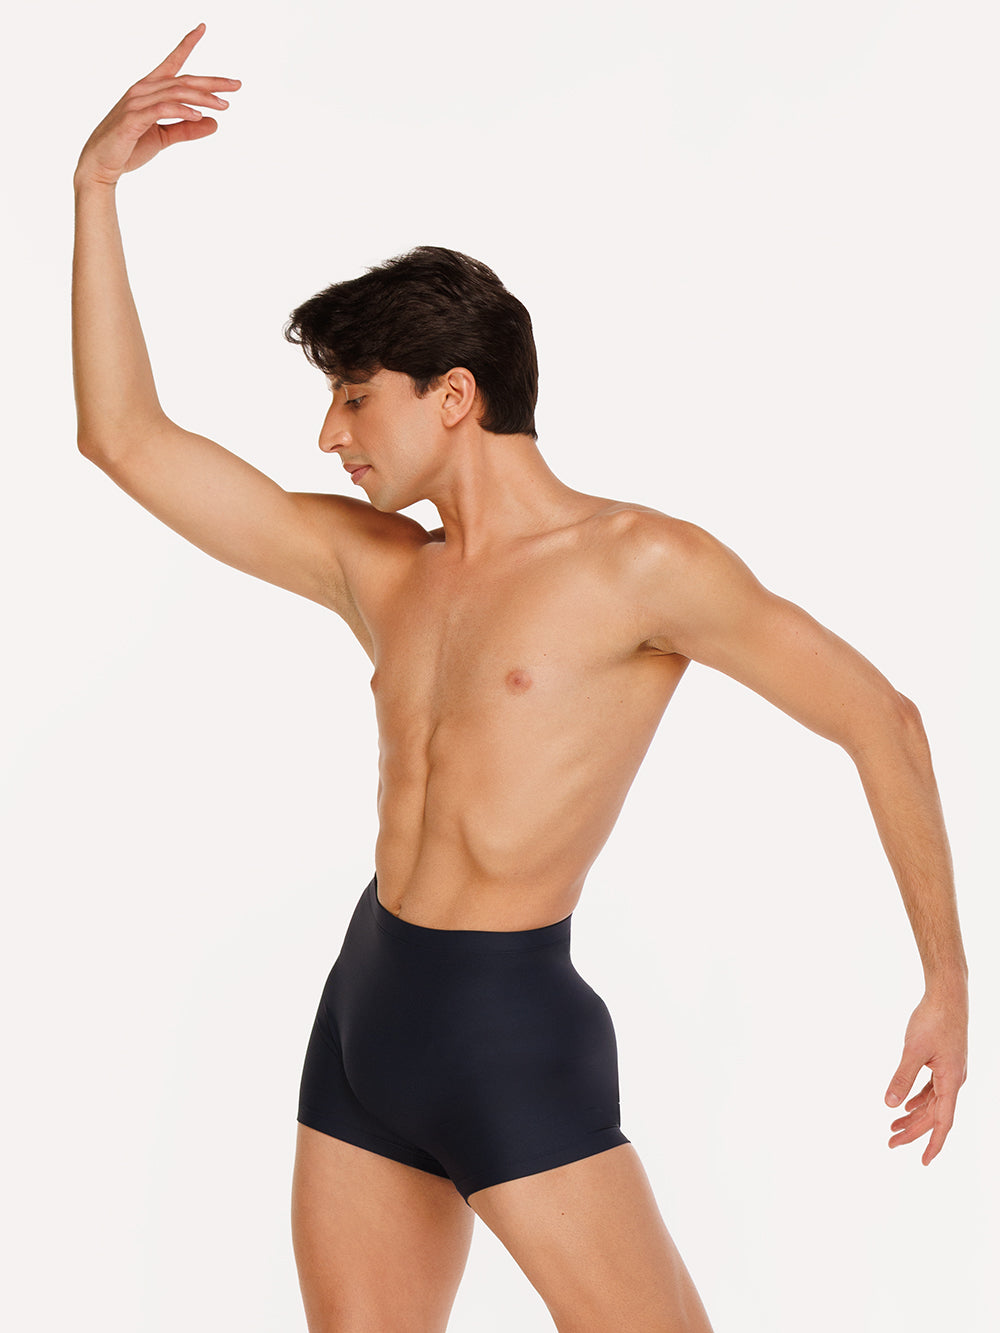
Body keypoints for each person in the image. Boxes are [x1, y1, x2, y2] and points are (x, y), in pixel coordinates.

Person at [73, 23, 969, 1333]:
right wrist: (95, 190)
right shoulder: (378, 568)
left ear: (452, 396)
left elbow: (881, 720)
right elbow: (123, 438)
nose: (328, 435)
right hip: (365, 1018)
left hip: (510, 1032)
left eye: (355, 399)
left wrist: (946, 980)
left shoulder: (640, 565)